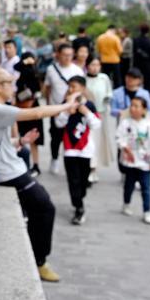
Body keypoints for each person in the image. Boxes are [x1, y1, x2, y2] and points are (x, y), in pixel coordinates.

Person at [0, 68, 79, 283]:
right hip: (7, 173)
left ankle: (35, 254)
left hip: (8, 168)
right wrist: (67, 105)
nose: (13, 88)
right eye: (9, 83)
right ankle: (39, 261)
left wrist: (22, 141)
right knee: (45, 207)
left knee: (40, 207)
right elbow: (37, 113)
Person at [57, 75, 101, 225]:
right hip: (69, 149)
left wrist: (86, 112)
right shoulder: (65, 104)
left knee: (83, 180)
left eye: (74, 86)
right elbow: (58, 123)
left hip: (85, 149)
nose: (71, 89)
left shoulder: (89, 105)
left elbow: (96, 125)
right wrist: (66, 112)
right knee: (73, 180)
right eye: (69, 86)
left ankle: (79, 198)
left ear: (82, 88)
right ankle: (79, 208)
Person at [116, 96, 150, 224]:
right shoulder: (125, 123)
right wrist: (124, 147)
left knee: (146, 187)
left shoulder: (148, 126)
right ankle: (126, 203)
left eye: (137, 106)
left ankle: (147, 211)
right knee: (128, 185)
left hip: (144, 162)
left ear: (144, 110)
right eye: (132, 105)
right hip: (130, 162)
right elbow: (119, 137)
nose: (133, 108)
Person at [43, 42, 84, 175]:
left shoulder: (77, 70)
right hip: (56, 109)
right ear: (58, 55)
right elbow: (48, 89)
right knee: (55, 137)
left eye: (70, 55)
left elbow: (82, 91)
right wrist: (49, 106)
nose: (67, 57)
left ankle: (71, 162)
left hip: (72, 110)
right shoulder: (51, 69)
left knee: (72, 136)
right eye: (64, 55)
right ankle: (54, 158)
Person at [84, 57, 114, 182]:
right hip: (87, 115)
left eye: (97, 65)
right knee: (89, 141)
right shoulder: (83, 80)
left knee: (98, 142)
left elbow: (109, 92)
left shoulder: (104, 78)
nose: (95, 67)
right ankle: (88, 167)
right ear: (87, 66)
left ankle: (94, 168)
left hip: (101, 114)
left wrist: (107, 98)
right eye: (92, 64)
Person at [14, 52, 44, 176]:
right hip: (22, 106)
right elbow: (16, 66)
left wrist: (30, 63)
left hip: (32, 106)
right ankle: (22, 162)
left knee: (33, 138)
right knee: (21, 136)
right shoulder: (21, 70)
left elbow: (37, 85)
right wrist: (25, 62)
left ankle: (35, 165)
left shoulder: (34, 72)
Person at [132, 24, 150, 93]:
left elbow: (134, 53)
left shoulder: (135, 40)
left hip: (137, 65)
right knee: (148, 85)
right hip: (149, 66)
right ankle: (147, 97)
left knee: (136, 84)